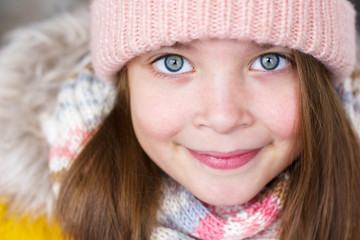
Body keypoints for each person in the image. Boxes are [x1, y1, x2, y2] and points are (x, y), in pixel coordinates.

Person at [0, 0, 360, 239]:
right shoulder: (23, 224)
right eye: (173, 62)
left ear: (324, 84)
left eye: (270, 61)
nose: (222, 118)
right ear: (124, 84)